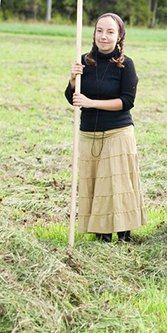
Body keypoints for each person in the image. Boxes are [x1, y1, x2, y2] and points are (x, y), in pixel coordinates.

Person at [66, 13, 146, 243]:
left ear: (119, 36)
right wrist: (72, 80)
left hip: (117, 132)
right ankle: (102, 234)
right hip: (89, 132)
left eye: (110, 32)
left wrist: (91, 103)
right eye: (100, 30)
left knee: (117, 183)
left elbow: (127, 101)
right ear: (94, 33)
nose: (104, 36)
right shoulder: (83, 62)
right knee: (95, 182)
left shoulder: (125, 64)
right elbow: (72, 98)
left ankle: (124, 233)